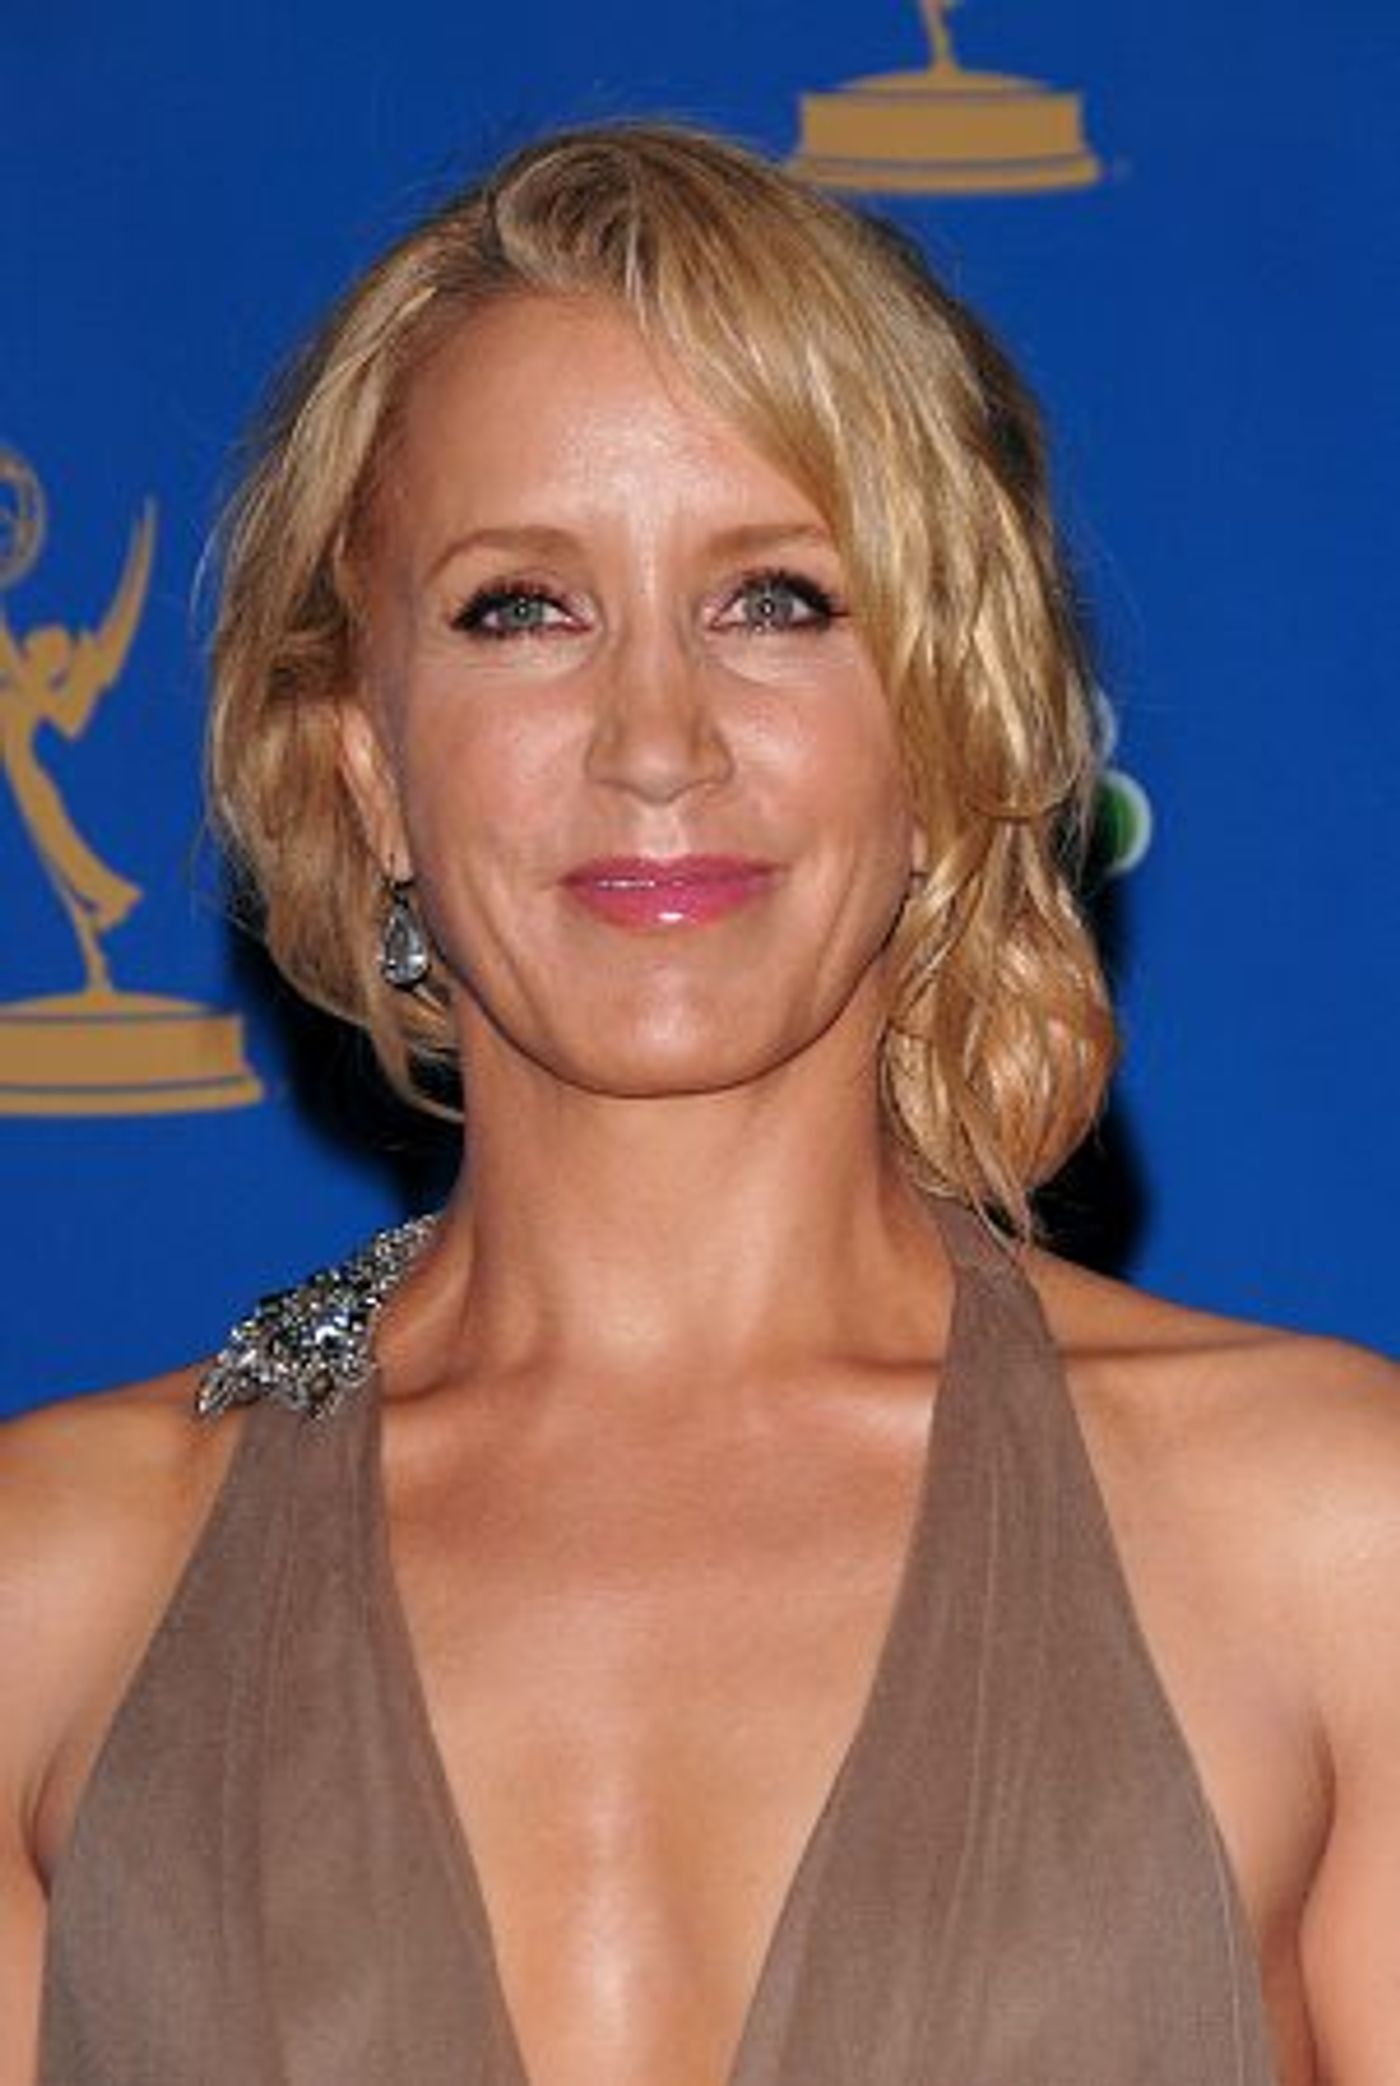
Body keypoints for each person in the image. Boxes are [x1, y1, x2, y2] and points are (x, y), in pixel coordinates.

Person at [1, 122, 1396, 2086]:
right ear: (367, 763)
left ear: (944, 719)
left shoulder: (1331, 1540)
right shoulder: (53, 1588)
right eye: (521, 608)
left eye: (776, 600)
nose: (655, 742)